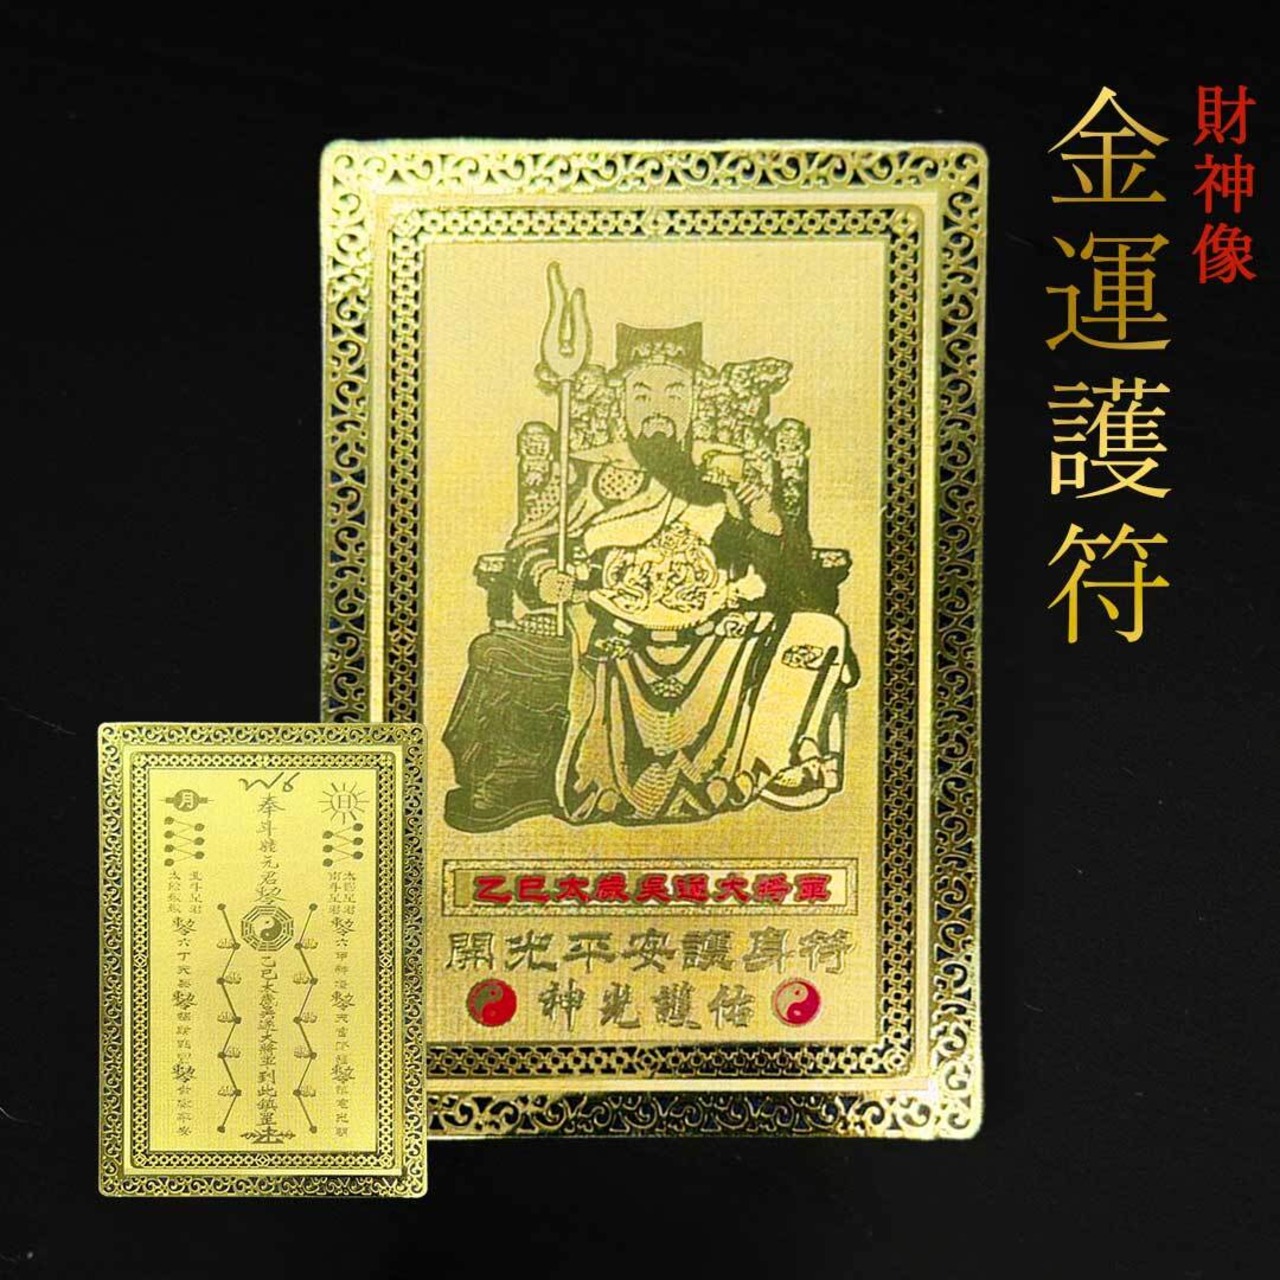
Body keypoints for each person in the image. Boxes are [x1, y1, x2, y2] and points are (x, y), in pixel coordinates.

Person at [444, 321, 855, 830]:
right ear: (621, 403)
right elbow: (531, 545)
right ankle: (556, 778)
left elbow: (785, 579)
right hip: (608, 631)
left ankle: (762, 762)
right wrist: (544, 573)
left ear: (694, 401)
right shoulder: (587, 470)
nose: (658, 406)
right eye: (642, 393)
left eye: (673, 392)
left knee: (819, 632)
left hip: (720, 631)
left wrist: (766, 524)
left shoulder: (725, 473)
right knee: (499, 652)